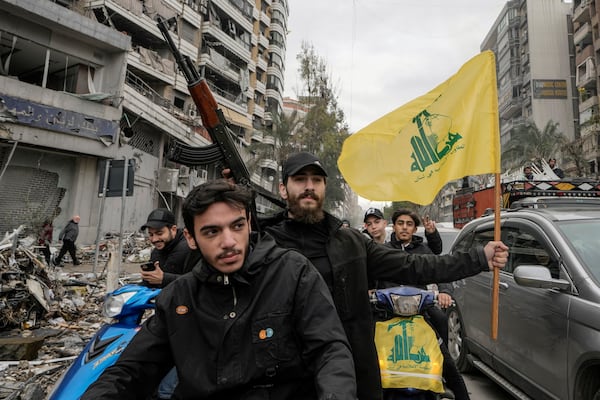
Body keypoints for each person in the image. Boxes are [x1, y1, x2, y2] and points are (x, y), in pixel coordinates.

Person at [257, 152, 509, 400]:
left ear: (324, 187)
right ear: (282, 188)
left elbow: (413, 265)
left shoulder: (350, 243)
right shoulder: (262, 244)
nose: (309, 187)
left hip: (351, 370)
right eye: (300, 179)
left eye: (317, 180)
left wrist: (477, 258)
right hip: (284, 376)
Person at [82, 180, 357, 399]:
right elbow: (133, 370)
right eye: (212, 232)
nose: (229, 242)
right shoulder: (180, 297)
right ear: (190, 238)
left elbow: (329, 350)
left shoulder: (293, 273)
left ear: (249, 224)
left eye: (237, 226)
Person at [380, 208, 468, 399]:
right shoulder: (383, 251)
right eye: (400, 223)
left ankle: (445, 380)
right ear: (393, 226)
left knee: (440, 323)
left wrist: (444, 291)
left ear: (414, 229)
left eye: (409, 224)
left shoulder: (423, 250)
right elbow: (368, 274)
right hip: (387, 314)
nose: (404, 227)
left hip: (420, 311)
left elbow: (439, 268)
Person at [140, 208, 193, 288]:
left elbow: (198, 283)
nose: (154, 239)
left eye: (159, 233)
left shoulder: (190, 248)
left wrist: (164, 279)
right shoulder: (156, 251)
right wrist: (148, 277)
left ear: (173, 230)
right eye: (151, 234)